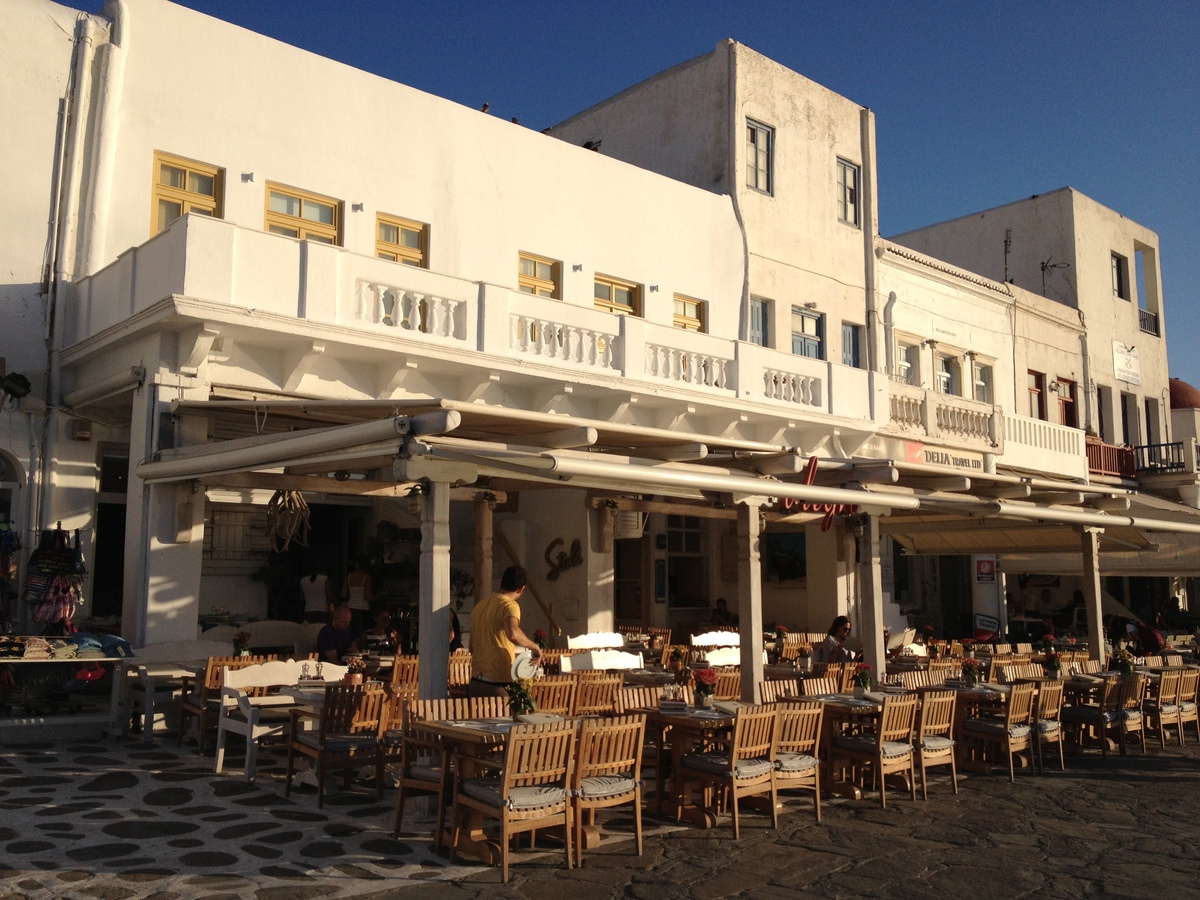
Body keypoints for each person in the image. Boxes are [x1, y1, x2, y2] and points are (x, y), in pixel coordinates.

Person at [468, 565, 542, 698]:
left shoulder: (479, 606)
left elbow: (471, 647)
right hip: (497, 682)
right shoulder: (509, 605)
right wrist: (534, 646)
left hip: (476, 681)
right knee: (505, 719)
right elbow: (513, 633)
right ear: (521, 589)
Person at [340, 556, 378, 634]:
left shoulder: (349, 576)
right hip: (363, 610)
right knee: (362, 634)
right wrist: (381, 594)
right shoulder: (367, 577)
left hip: (350, 609)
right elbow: (368, 597)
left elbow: (343, 595)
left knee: (350, 634)